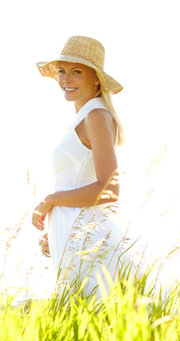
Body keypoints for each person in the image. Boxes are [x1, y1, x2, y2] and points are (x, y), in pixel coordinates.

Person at [32, 36, 135, 298]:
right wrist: (56, 234)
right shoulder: (85, 116)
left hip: (88, 238)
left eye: (76, 72)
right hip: (77, 237)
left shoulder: (96, 116)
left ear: (96, 78)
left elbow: (110, 189)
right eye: (62, 71)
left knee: (99, 320)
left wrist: (50, 200)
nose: (66, 79)